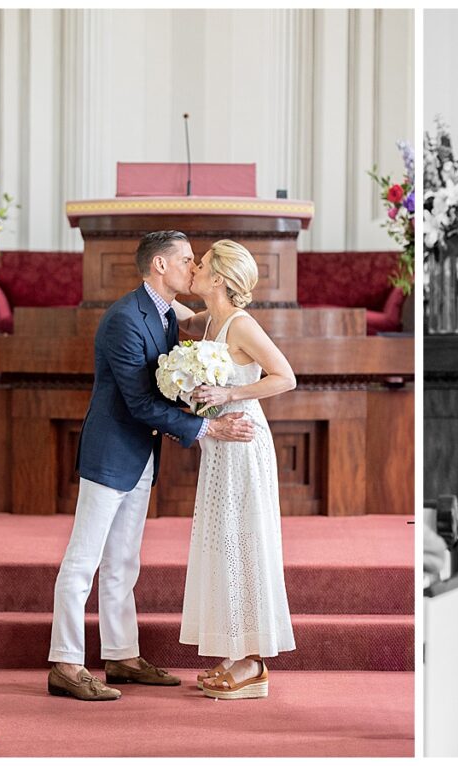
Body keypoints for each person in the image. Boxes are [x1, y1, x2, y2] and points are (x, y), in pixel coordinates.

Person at [47, 230, 255, 702]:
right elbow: (139, 402)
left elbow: (206, 318)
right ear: (160, 266)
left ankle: (121, 655)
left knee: (123, 562)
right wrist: (209, 429)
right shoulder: (125, 318)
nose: (193, 267)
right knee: (83, 561)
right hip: (111, 453)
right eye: (186, 260)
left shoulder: (162, 313)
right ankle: (65, 662)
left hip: (141, 454)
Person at [174, 239, 297, 700]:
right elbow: (181, 320)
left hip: (244, 442)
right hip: (220, 447)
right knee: (224, 543)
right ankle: (235, 648)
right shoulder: (212, 321)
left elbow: (286, 376)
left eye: (201, 265)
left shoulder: (241, 325)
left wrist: (228, 395)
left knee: (244, 540)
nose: (195, 269)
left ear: (220, 278)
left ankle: (254, 660)